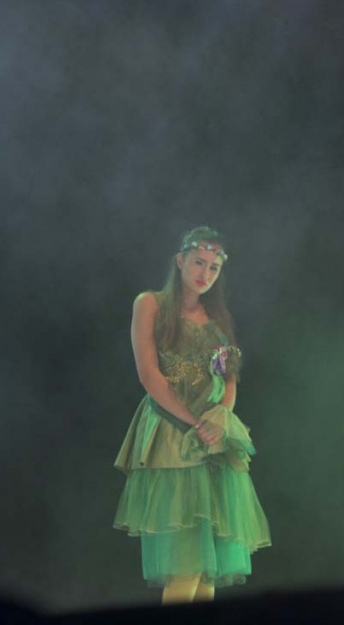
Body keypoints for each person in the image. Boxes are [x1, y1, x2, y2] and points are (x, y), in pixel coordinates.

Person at [113, 226, 271, 603]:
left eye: (214, 267)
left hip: (212, 440)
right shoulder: (150, 304)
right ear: (180, 260)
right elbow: (149, 375)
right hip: (171, 436)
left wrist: (219, 419)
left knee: (205, 569)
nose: (205, 273)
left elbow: (228, 380)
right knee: (185, 564)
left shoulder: (215, 320)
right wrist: (194, 421)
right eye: (199, 262)